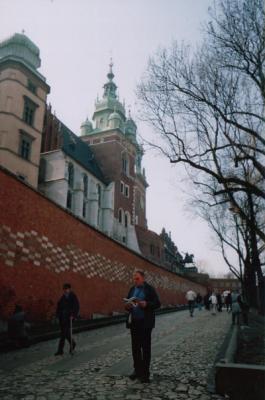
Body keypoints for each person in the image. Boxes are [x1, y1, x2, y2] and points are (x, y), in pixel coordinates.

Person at [125, 270, 161, 383]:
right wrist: (127, 306)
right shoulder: (132, 289)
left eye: (137, 279)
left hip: (145, 323)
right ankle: (137, 370)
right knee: (135, 348)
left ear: (143, 278)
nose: (135, 281)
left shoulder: (149, 289)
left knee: (145, 348)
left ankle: (145, 373)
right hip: (134, 322)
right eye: (134, 279)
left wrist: (147, 304)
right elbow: (128, 302)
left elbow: (157, 303)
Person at [55, 283, 79, 356]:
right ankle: (72, 343)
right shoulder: (62, 297)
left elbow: (76, 306)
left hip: (69, 318)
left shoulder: (73, 296)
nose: (65, 290)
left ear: (69, 289)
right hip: (62, 318)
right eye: (64, 289)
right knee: (64, 333)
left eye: (66, 289)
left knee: (63, 334)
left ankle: (60, 350)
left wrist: (73, 315)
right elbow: (59, 307)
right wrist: (57, 315)